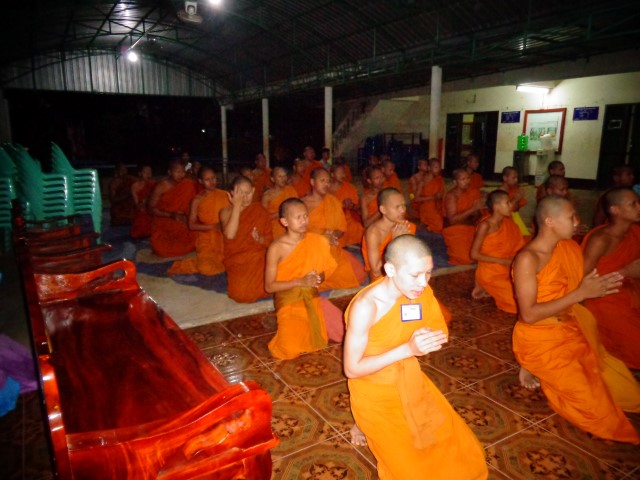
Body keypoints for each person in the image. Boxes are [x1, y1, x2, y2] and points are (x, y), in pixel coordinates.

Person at [344, 235, 488, 479]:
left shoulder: (418, 291)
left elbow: (435, 327)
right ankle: (363, 421)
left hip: (408, 378)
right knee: (410, 471)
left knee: (459, 454)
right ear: (391, 269)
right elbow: (352, 369)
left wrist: (425, 339)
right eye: (415, 275)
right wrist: (408, 349)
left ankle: (362, 424)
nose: (423, 282)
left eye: (428, 273)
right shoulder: (366, 306)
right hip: (373, 390)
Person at [512, 195, 640, 443]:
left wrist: (598, 287)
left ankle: (535, 366)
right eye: (571, 217)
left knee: (630, 394)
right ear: (550, 221)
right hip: (540, 337)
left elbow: (573, 289)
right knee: (599, 413)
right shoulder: (528, 258)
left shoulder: (568, 248)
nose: (577, 222)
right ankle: (531, 363)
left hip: (571, 328)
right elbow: (528, 315)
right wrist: (581, 293)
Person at [265, 198, 345, 359]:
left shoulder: (316, 241)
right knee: (288, 349)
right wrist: (300, 282)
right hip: (289, 300)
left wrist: (317, 278)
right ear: (284, 221)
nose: (304, 221)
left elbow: (325, 272)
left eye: (305, 216)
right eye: (298, 217)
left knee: (343, 332)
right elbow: (269, 286)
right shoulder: (277, 248)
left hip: (312, 297)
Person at [581, 187, 640, 369]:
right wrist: (625, 272)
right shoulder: (601, 240)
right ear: (615, 210)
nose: (639, 207)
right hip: (603, 297)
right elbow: (581, 278)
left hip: (630, 291)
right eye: (633, 204)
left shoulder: (635, 232)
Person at [303, 168, 366, 290]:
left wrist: (332, 237)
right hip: (309, 247)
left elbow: (341, 228)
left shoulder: (333, 202)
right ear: (312, 182)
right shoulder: (301, 204)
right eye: (322, 180)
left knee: (359, 274)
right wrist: (320, 238)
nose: (326, 184)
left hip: (330, 247)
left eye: (328, 181)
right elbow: (296, 232)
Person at [167, 166, 230, 275]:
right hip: (206, 236)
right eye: (207, 179)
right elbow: (191, 225)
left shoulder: (225, 194)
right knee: (206, 268)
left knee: (235, 260)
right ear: (201, 181)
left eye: (213, 178)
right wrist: (214, 226)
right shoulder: (197, 200)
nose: (212, 182)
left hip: (225, 235)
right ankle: (190, 264)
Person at [220, 175, 273, 303]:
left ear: (253, 191)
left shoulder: (259, 210)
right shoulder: (226, 211)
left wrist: (260, 239)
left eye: (248, 193)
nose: (245, 198)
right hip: (238, 260)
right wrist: (237, 206)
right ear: (232, 194)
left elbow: (270, 240)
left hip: (259, 257)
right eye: (240, 194)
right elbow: (230, 235)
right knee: (241, 295)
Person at [470, 190, 525, 311]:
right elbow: (474, 254)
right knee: (519, 302)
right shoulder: (485, 225)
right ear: (496, 207)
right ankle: (482, 284)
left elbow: (518, 246)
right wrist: (503, 261)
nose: (511, 205)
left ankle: (483, 287)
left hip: (510, 267)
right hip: (491, 272)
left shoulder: (509, 223)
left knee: (534, 288)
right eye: (507, 203)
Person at [362, 188, 415, 280]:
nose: (402, 210)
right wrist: (394, 243)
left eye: (403, 205)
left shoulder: (404, 226)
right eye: (397, 207)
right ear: (383, 210)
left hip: (402, 271)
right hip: (383, 278)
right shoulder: (374, 233)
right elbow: (376, 271)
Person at [148, 160, 198, 258]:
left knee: (199, 237)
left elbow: (192, 205)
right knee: (161, 249)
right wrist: (171, 215)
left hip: (183, 219)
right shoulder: (162, 186)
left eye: (183, 172)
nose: (181, 175)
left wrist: (188, 217)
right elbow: (150, 209)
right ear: (169, 172)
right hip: (165, 220)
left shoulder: (188, 184)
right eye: (178, 172)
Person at [442, 169, 485, 265]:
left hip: (471, 227)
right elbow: (452, 220)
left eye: (468, 178)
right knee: (465, 258)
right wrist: (472, 209)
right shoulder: (451, 196)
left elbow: (478, 214)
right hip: (455, 229)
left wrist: (477, 212)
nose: (467, 181)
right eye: (463, 179)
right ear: (455, 182)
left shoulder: (473, 192)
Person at [329, 164, 364, 246]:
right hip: (329, 219)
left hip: (346, 219)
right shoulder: (326, 187)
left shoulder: (349, 187)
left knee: (357, 228)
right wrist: (340, 205)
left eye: (343, 173)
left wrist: (351, 205)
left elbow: (357, 206)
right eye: (340, 173)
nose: (343, 175)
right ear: (332, 174)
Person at [261, 166, 298, 239]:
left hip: (291, 226)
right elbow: (263, 218)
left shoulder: (291, 190)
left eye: (284, 176)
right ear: (272, 179)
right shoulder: (267, 196)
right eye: (280, 176)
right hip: (275, 229)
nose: (283, 179)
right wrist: (279, 214)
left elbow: (297, 207)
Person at [414, 159, 445, 233]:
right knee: (438, 226)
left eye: (439, 167)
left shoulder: (439, 179)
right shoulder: (422, 182)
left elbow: (442, 194)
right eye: (436, 167)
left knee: (440, 225)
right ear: (429, 168)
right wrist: (432, 197)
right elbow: (416, 199)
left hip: (437, 206)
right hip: (426, 207)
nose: (438, 169)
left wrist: (440, 196)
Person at [499, 166, 529, 236]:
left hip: (514, 216)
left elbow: (516, 209)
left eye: (517, 178)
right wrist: (516, 199)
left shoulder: (514, 189)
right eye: (514, 178)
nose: (516, 180)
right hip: (504, 219)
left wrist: (518, 198)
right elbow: (505, 211)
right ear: (505, 178)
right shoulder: (500, 192)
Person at [130, 164, 156, 239]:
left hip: (152, 208)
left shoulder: (154, 184)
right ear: (140, 173)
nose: (148, 174)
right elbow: (136, 203)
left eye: (150, 172)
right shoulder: (135, 186)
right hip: (142, 208)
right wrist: (143, 203)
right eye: (146, 172)